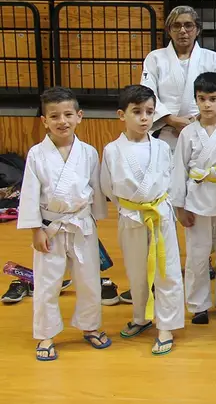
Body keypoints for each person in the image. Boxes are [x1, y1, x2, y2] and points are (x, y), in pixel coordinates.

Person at [20, 87, 110, 361]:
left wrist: (96, 219)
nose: (62, 121)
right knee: (48, 282)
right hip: (50, 225)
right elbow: (30, 193)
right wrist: (35, 229)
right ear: (44, 121)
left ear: (79, 116)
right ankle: (46, 333)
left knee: (89, 280)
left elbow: (95, 187)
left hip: (82, 223)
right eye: (55, 116)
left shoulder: (88, 152)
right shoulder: (37, 154)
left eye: (68, 114)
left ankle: (90, 326)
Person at [100, 85, 184, 356]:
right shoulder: (112, 150)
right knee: (136, 271)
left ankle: (167, 326)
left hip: (160, 216)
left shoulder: (162, 147)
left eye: (149, 112)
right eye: (137, 112)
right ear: (121, 115)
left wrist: (160, 205)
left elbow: (170, 180)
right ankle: (141, 317)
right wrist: (131, 207)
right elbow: (107, 188)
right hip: (131, 215)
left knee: (166, 270)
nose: (144, 118)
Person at [170, 73, 216, 324]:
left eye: (213, 99)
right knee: (197, 255)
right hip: (197, 201)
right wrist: (179, 207)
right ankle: (197, 304)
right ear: (196, 100)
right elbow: (179, 169)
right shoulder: (188, 133)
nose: (207, 105)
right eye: (202, 99)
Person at [140, 6, 216, 150]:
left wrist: (197, 120)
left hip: (203, 127)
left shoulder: (213, 59)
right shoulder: (155, 58)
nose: (183, 31)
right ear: (169, 30)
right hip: (165, 130)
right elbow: (147, 93)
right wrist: (170, 119)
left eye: (188, 25)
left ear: (198, 30)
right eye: (176, 26)